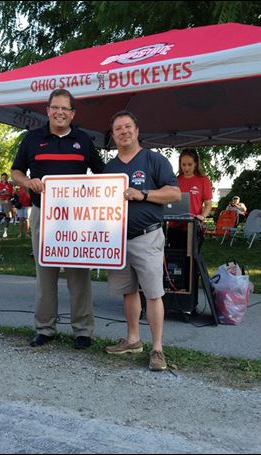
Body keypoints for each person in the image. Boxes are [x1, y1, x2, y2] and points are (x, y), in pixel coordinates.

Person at [11, 88, 105, 349]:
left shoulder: (84, 140)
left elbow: (103, 174)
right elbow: (15, 171)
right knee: (45, 274)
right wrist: (28, 182)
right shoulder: (32, 139)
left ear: (72, 113)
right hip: (44, 214)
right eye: (56, 107)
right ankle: (44, 329)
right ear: (48, 110)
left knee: (79, 275)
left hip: (76, 218)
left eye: (65, 108)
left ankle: (83, 331)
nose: (60, 112)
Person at [104, 110, 181, 371]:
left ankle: (157, 348)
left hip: (147, 237)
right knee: (128, 291)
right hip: (118, 240)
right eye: (118, 129)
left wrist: (144, 194)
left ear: (137, 131)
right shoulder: (110, 168)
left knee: (153, 294)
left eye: (128, 127)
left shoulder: (154, 160)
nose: (123, 131)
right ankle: (133, 340)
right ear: (113, 136)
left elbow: (174, 192)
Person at [177, 148, 213, 221]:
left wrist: (202, 216)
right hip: (175, 225)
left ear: (195, 164)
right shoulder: (175, 180)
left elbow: (208, 204)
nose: (186, 168)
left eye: (190, 164)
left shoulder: (203, 180)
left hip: (194, 224)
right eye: (183, 164)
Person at [0, 173, 14, 238]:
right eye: (2, 177)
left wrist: (2, 192)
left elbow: (9, 193)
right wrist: (4, 191)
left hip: (7, 201)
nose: (4, 178)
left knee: (8, 217)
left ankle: (5, 231)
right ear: (1, 177)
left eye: (5, 177)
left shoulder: (10, 185)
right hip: (0, 201)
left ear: (7, 178)